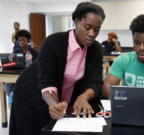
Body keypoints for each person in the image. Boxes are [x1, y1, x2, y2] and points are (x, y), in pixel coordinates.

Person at [9, 2, 105, 135]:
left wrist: (83, 97)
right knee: (34, 128)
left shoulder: (95, 49)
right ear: (76, 21)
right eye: (87, 27)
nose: (92, 34)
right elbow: (47, 81)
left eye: (97, 29)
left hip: (61, 94)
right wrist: (53, 103)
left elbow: (95, 80)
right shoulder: (53, 42)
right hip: (33, 89)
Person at [4, 29, 38, 107]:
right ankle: (14, 101)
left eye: (24, 40)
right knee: (7, 86)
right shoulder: (15, 53)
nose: (22, 42)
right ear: (17, 41)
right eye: (19, 40)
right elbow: (11, 64)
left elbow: (38, 66)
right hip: (17, 75)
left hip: (30, 76)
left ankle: (19, 101)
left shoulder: (34, 53)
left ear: (27, 40)